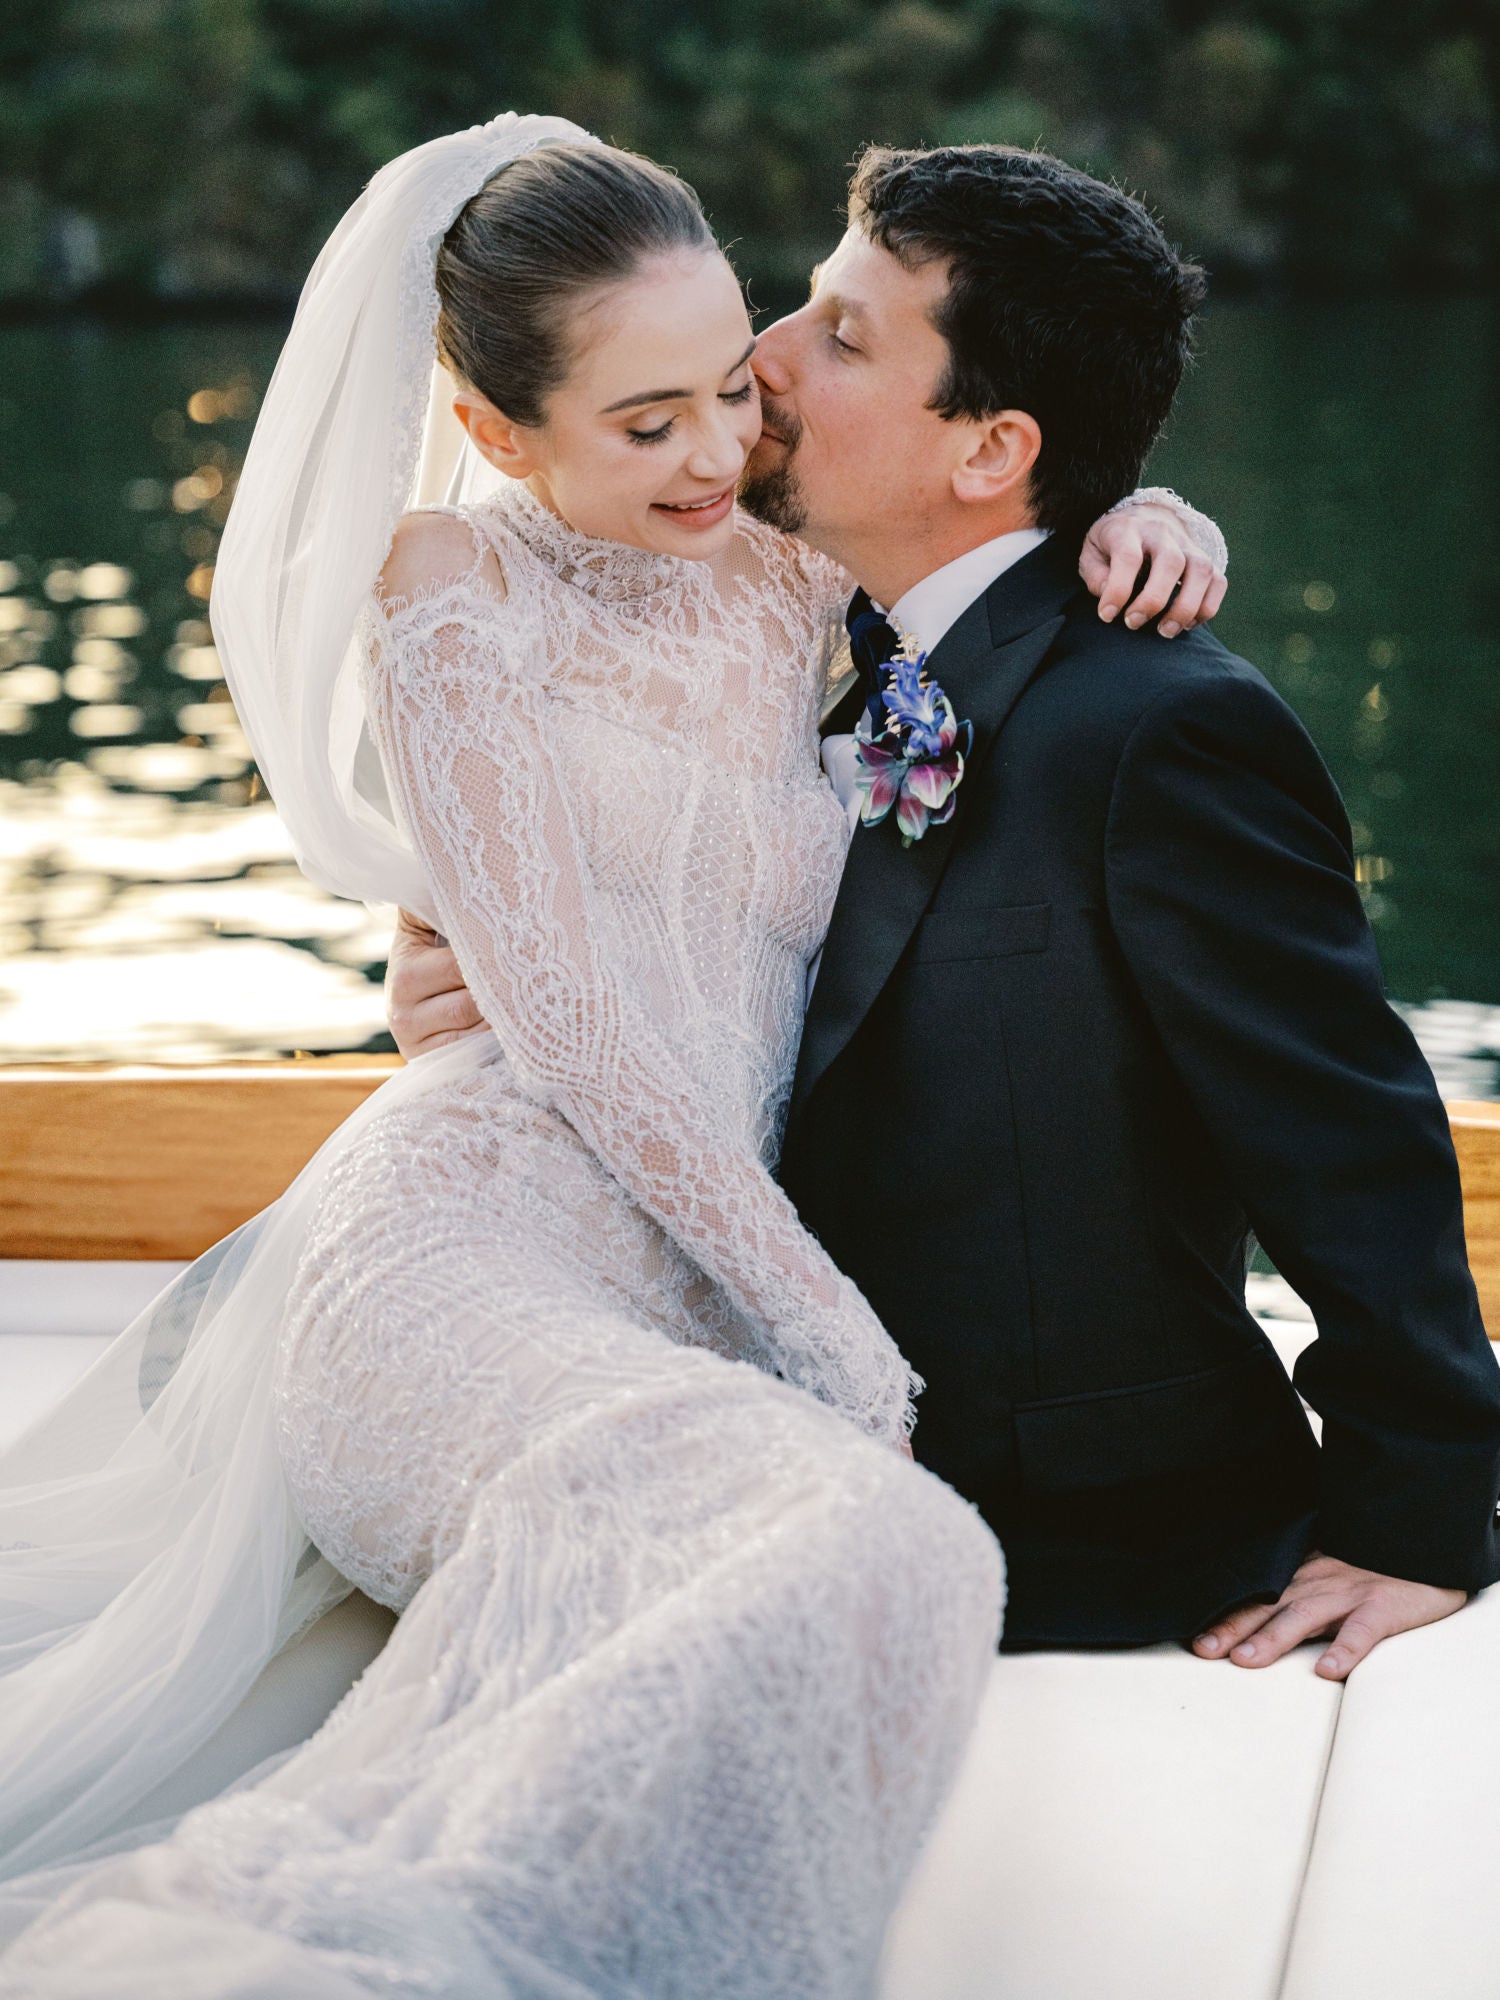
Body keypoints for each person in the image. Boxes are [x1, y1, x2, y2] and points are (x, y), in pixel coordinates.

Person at [0, 117, 1222, 1997]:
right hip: (460, 1261)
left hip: (677, 1287)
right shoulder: (451, 588)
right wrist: (822, 1321)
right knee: (875, 1540)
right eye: (645, 424)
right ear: (498, 433)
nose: (719, 454)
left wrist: (1147, 519)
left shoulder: (780, 578)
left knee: (867, 1558)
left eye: (733, 387)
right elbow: (564, 1015)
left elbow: (976, 570)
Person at [390, 143, 1500, 1680]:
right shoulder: (795, 616)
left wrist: (1417, 1516)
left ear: (989, 452)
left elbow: (1347, 1134)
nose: (764, 360)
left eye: (842, 337)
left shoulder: (1162, 729)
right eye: (802, 303)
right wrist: (479, 962)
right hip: (749, 1431)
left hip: (1084, 1524)